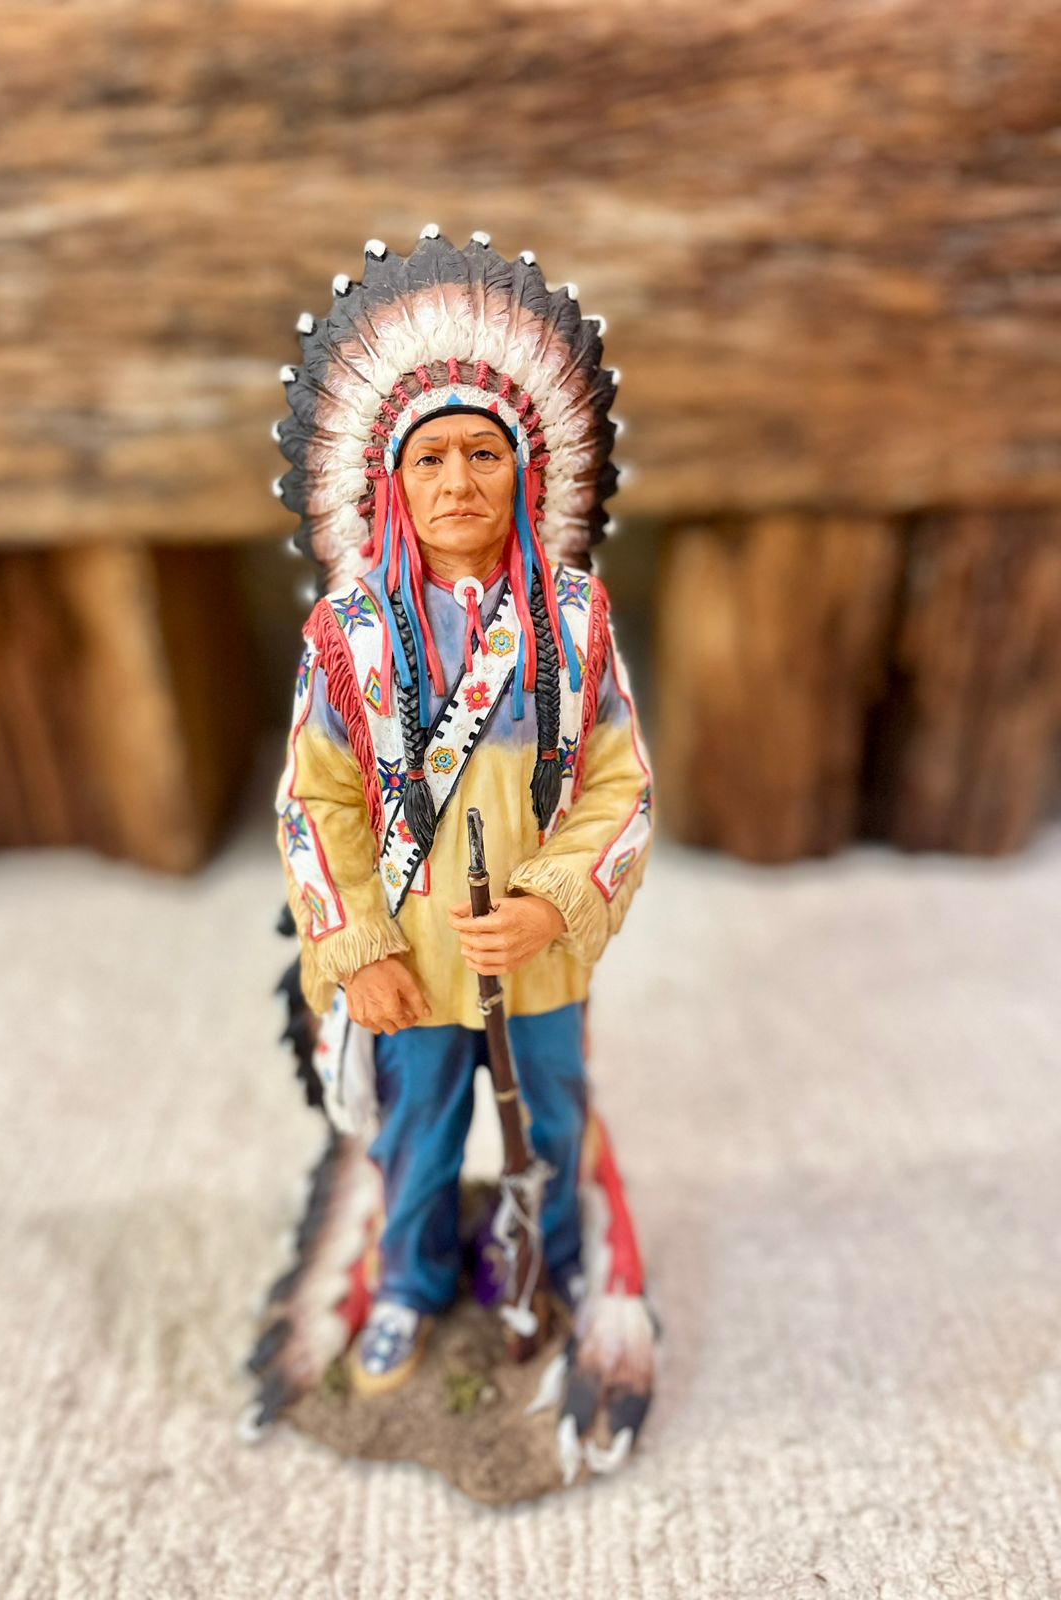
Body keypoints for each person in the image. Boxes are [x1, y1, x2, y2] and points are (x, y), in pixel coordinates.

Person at [273, 227, 653, 1399]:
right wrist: (359, 946)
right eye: (430, 457)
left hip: (539, 959)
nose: (456, 483)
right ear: (392, 479)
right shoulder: (349, 637)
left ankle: (558, 1263)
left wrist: (552, 905)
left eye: (482, 454)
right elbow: (315, 803)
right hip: (411, 955)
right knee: (417, 1133)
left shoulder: (576, 623)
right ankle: (410, 1278)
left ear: (523, 472)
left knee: (553, 1120)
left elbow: (621, 787)